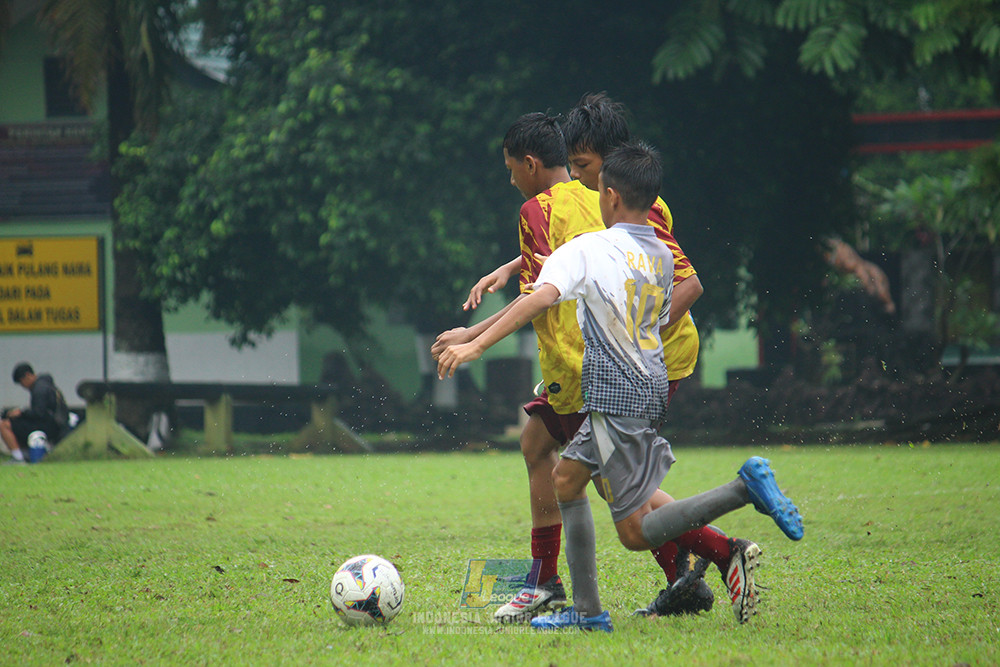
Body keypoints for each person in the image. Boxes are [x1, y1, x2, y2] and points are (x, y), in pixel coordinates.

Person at [438, 142, 804, 632]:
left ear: (608, 196)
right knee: (566, 478)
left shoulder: (588, 249)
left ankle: (742, 489)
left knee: (634, 531)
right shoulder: (654, 251)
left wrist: (476, 344)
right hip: (648, 384)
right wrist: (515, 266)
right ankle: (588, 614)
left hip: (615, 394)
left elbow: (539, 299)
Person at [435, 95, 716, 622]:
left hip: (603, 365)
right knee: (547, 450)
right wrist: (510, 267)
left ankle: (720, 551)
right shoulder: (638, 204)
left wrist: (474, 340)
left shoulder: (550, 207)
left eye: (587, 167)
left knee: (614, 488)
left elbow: (548, 290)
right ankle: (559, 582)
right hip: (628, 361)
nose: (584, 180)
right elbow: (591, 250)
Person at [1, 362, 70, 464]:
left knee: (4, 425)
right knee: (17, 422)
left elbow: (38, 413)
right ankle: (25, 454)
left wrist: (21, 413)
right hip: (56, 424)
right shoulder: (45, 383)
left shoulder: (39, 389)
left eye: (22, 382)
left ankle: (18, 458)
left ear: (28, 375)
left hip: (49, 426)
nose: (23, 386)